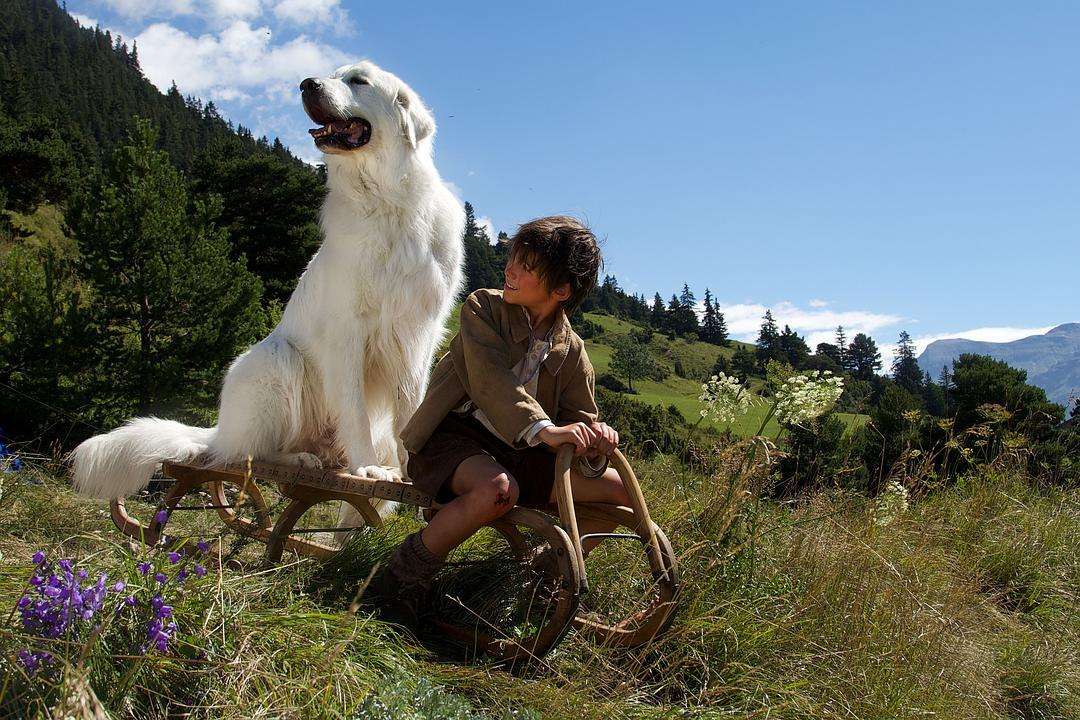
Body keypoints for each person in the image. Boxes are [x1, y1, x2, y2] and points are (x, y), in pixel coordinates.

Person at [376, 216, 630, 625]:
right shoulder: (483, 308)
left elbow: (580, 418)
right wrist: (545, 429)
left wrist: (595, 439)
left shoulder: (573, 351)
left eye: (527, 267)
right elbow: (490, 380)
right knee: (498, 489)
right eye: (513, 259)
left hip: (520, 451)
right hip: (453, 438)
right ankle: (400, 578)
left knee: (618, 492)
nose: (510, 269)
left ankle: (547, 575)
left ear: (561, 290)